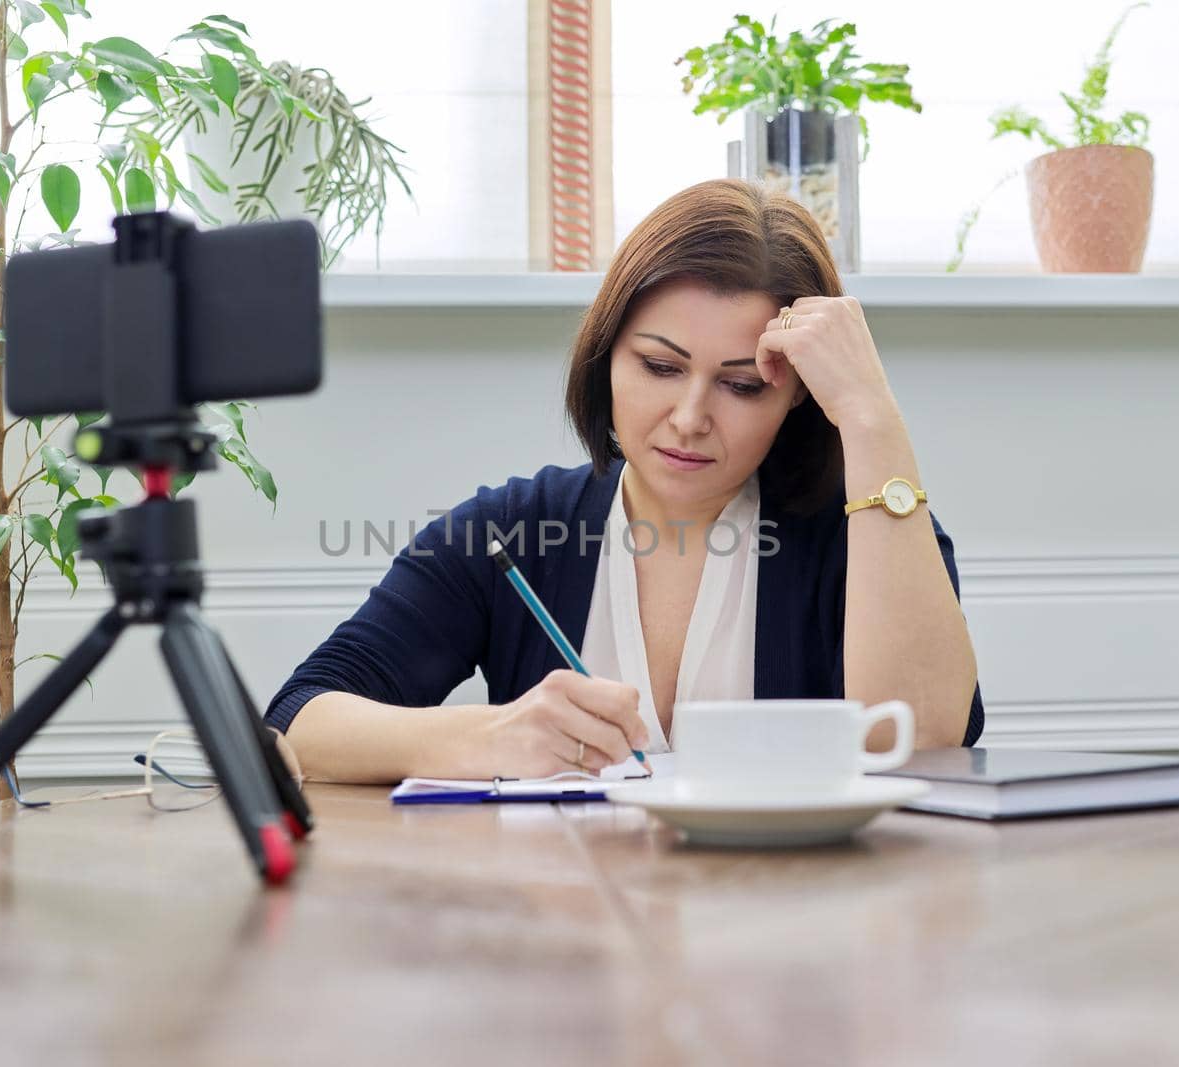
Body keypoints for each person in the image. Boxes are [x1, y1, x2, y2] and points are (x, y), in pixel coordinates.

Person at [266, 178, 983, 784]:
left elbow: (921, 745)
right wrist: (484, 737)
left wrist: (869, 415)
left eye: (741, 385)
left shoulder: (864, 535)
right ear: (606, 356)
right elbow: (299, 718)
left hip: (799, 929)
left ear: (795, 395)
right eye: (661, 367)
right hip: (568, 933)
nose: (690, 417)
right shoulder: (513, 530)